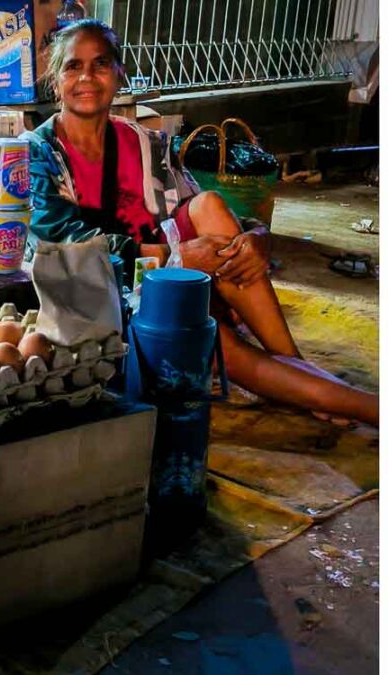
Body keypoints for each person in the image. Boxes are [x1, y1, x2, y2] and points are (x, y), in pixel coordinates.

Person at [22, 19, 378, 427]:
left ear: (119, 75)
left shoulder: (146, 144)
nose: (87, 77)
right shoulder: (38, 154)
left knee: (209, 205)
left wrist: (257, 236)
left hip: (173, 273)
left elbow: (205, 208)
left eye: (100, 64)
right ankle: (358, 403)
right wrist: (171, 258)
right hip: (100, 293)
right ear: (55, 81)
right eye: (73, 66)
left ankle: (295, 367)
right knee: (204, 332)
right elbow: (63, 241)